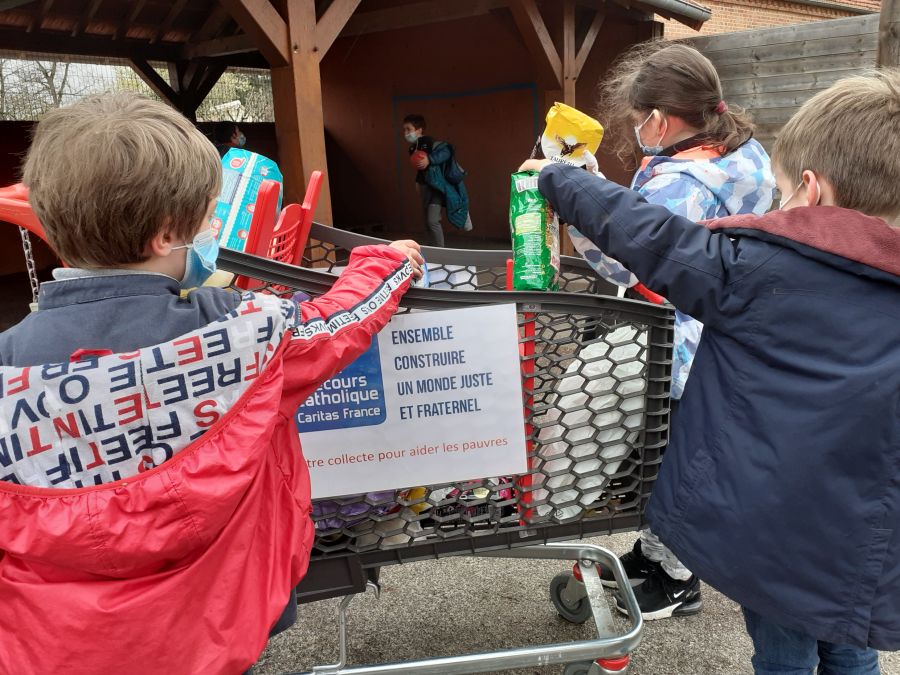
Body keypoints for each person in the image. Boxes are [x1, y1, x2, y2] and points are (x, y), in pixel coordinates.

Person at [0, 93, 422, 674]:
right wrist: (385, 263)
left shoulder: (8, 367)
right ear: (165, 235)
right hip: (218, 625)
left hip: (55, 648)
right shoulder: (241, 331)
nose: (213, 229)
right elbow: (336, 323)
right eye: (207, 218)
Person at [523, 68, 900, 675]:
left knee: (785, 654)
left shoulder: (754, 271)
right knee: (850, 645)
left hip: (776, 531)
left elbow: (650, 236)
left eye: (783, 194)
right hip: (865, 539)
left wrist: (561, 178)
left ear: (811, 191)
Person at [567, 42, 775, 620]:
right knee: (693, 452)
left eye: (639, 119)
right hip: (729, 333)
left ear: (660, 119)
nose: (638, 130)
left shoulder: (679, 184)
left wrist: (578, 207)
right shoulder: (744, 155)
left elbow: (628, 261)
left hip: (680, 339)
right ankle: (659, 554)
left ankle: (677, 577)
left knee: (675, 462)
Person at [402, 113, 472, 247]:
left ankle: (440, 251)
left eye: (408, 129)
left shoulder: (429, 142)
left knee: (432, 221)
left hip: (436, 188)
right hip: (424, 188)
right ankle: (430, 250)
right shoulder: (412, 148)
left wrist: (430, 159)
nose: (406, 133)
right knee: (426, 222)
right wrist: (418, 183)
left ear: (419, 130)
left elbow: (447, 152)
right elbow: (421, 170)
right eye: (404, 130)